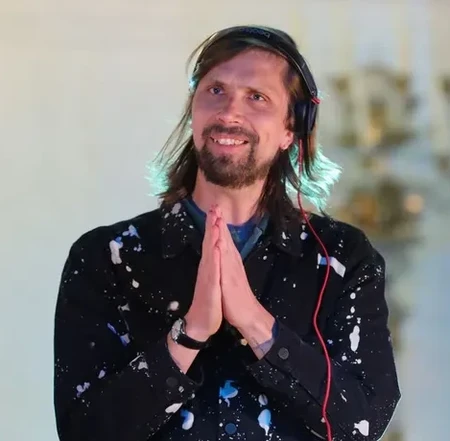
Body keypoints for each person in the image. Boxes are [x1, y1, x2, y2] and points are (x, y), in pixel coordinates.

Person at [53, 25, 400, 441]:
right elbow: (83, 432)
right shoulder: (106, 256)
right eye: (215, 90)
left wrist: (256, 323)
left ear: (291, 128)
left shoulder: (344, 257)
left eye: (257, 97)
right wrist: (190, 333)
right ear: (193, 109)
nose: (230, 113)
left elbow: (362, 423)